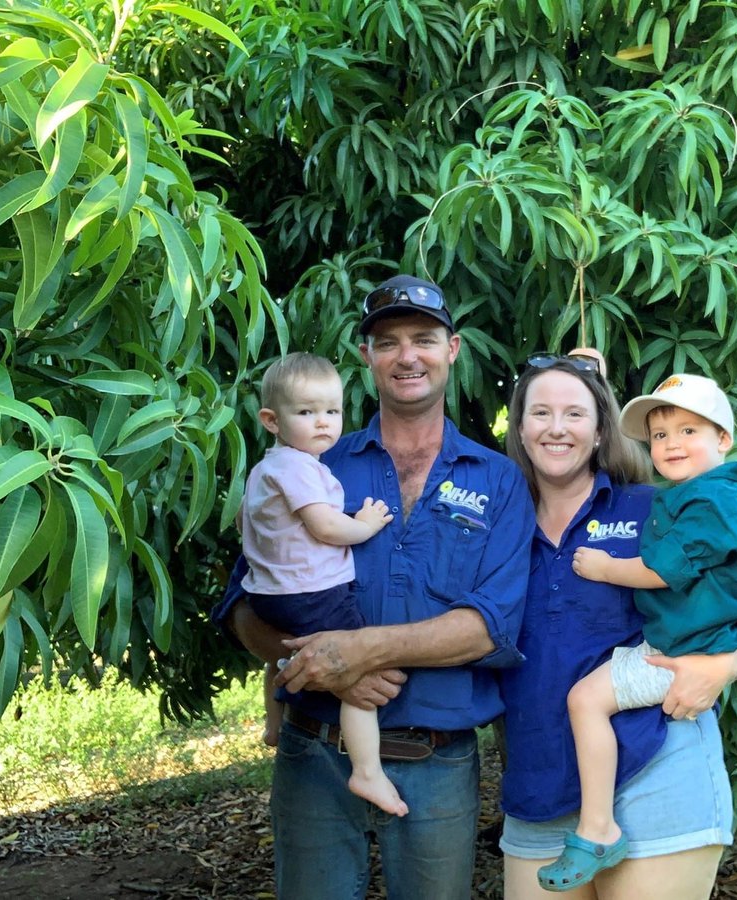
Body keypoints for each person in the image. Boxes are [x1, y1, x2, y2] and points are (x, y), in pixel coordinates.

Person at [213, 275, 536, 900]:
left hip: (437, 760)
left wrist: (362, 653)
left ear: (454, 349)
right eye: (387, 342)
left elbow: (490, 626)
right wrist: (316, 664)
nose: (407, 356)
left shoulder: (497, 479)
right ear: (366, 357)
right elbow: (244, 605)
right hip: (315, 754)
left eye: (424, 338)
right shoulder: (311, 462)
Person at [499, 354, 737, 900]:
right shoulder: (496, 521)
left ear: (601, 428)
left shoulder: (658, 507)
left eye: (575, 413)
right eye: (540, 412)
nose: (557, 428)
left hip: (657, 769)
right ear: (518, 427)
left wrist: (723, 667)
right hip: (540, 784)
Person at [239, 351, 404, 816]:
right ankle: (367, 771)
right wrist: (367, 523)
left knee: (288, 653)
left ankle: (275, 724)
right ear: (272, 420)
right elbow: (329, 529)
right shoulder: (297, 467)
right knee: (353, 666)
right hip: (311, 591)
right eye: (306, 413)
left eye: (332, 411)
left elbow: (243, 521)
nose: (323, 423)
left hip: (269, 593)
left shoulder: (265, 469)